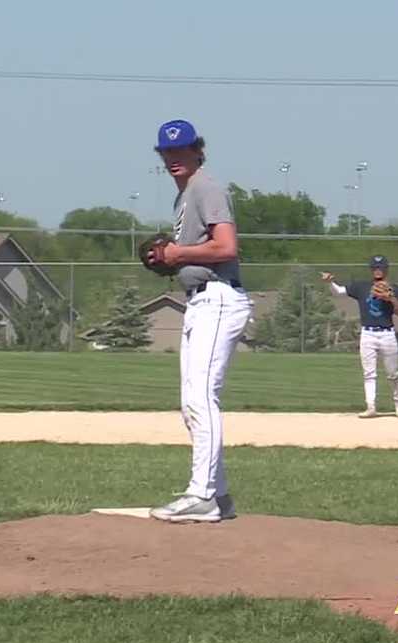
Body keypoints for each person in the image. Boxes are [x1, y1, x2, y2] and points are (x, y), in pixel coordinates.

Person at [145, 119, 253, 523]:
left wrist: (179, 255)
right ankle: (219, 496)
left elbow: (226, 247)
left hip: (219, 298)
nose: (174, 157)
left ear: (197, 150)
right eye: (167, 152)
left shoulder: (206, 188)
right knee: (191, 404)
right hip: (202, 302)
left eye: (181, 149)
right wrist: (173, 257)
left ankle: (202, 495)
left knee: (200, 399)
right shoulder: (185, 195)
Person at [320, 255, 398, 418]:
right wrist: (329, 283)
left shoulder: (394, 288)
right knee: (369, 373)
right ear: (371, 269)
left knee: (393, 373)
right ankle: (371, 406)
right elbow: (339, 292)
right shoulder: (361, 286)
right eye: (375, 267)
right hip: (368, 334)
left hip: (387, 334)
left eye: (381, 267)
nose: (378, 270)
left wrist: (391, 299)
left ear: (386, 269)